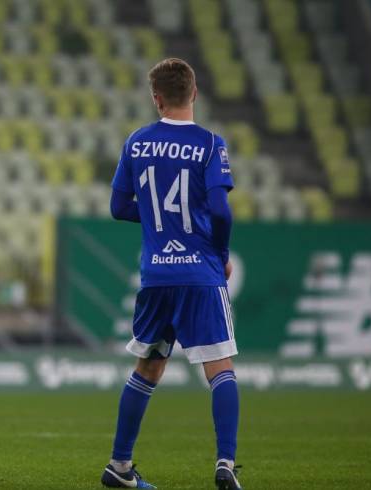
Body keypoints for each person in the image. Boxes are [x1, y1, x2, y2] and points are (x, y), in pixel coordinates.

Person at [101, 58, 241, 490]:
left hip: (157, 274)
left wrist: (156, 218)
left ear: (156, 98)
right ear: (194, 93)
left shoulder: (137, 142)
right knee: (220, 369)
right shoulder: (209, 144)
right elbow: (220, 210)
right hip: (200, 273)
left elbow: (118, 207)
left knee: (147, 368)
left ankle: (119, 466)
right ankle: (225, 463)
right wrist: (220, 253)